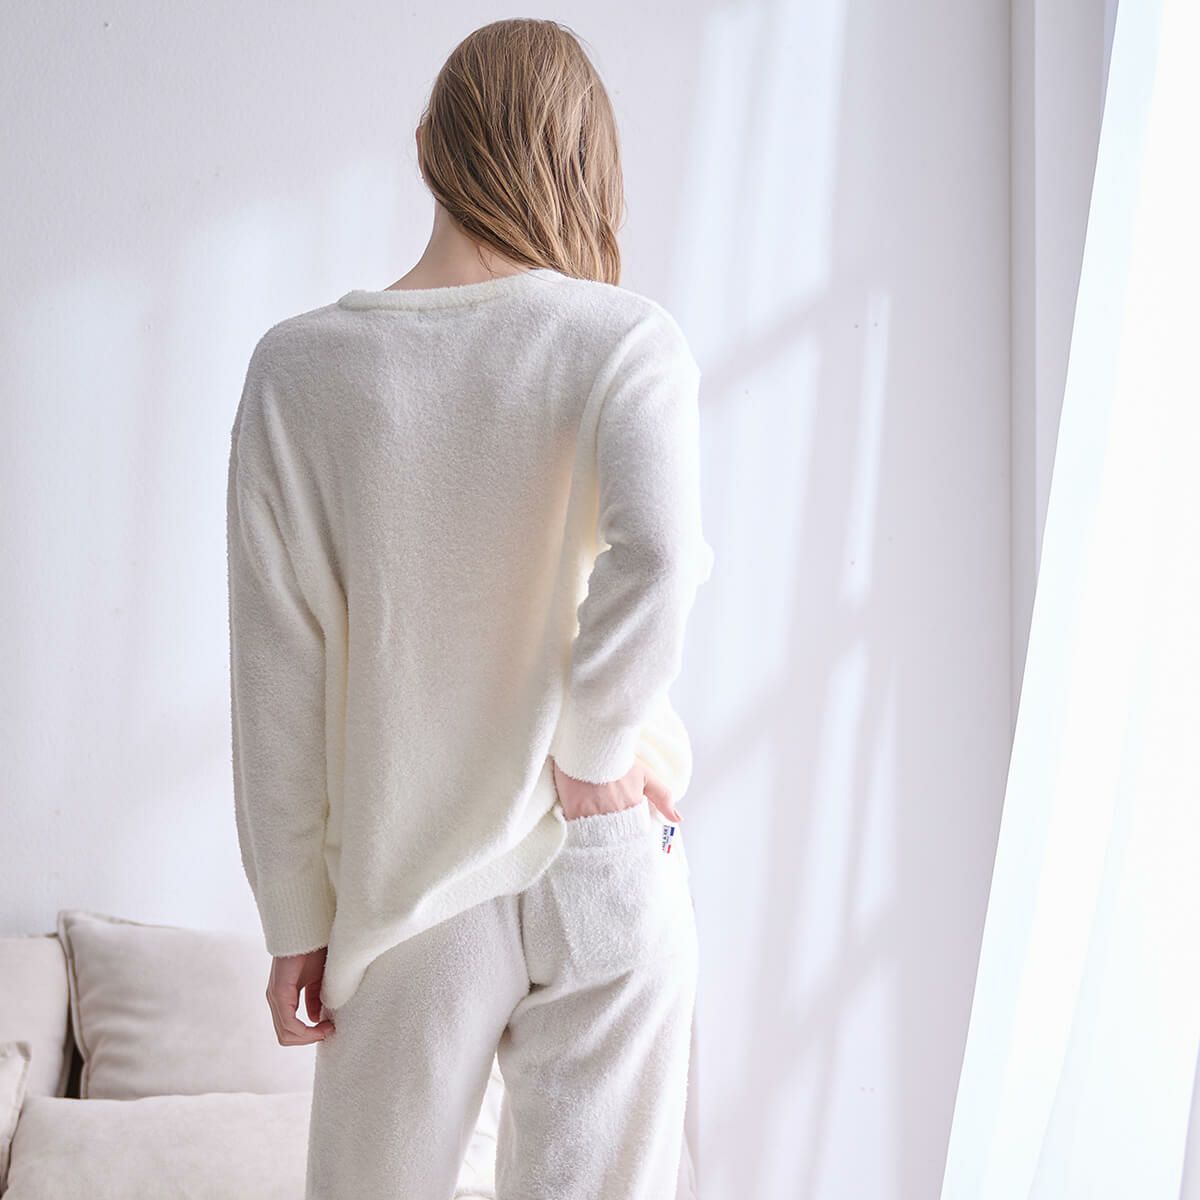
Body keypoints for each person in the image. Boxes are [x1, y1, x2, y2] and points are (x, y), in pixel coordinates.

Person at [226, 17, 714, 1199]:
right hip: (604, 844)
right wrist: (595, 751)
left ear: (426, 148)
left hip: (411, 867)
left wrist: (296, 916)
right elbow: (662, 554)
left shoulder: (298, 371)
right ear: (589, 167)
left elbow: (279, 665)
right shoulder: (625, 339)